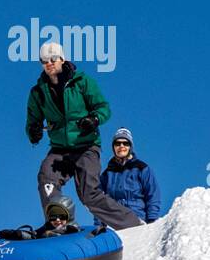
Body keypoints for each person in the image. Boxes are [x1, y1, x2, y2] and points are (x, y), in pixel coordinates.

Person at [25, 42, 142, 230]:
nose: (49, 63)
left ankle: (133, 224)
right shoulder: (38, 92)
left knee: (89, 194)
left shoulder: (82, 82)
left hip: (86, 146)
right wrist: (34, 132)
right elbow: (32, 122)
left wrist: (94, 119)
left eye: (53, 59)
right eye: (44, 61)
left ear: (62, 59)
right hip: (60, 150)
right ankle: (58, 225)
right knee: (47, 179)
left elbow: (103, 108)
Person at [100, 128, 162, 224]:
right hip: (114, 221)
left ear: (130, 147)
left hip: (137, 219)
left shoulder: (142, 169)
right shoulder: (107, 174)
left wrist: (152, 220)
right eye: (117, 143)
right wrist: (99, 224)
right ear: (113, 147)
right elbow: (100, 200)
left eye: (125, 143)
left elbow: (152, 195)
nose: (121, 146)